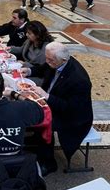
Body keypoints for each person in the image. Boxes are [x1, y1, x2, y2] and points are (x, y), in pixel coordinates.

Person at [22, 42, 93, 176]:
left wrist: (47, 96)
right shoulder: (56, 62)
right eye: (47, 58)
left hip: (73, 118)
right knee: (29, 110)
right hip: (54, 103)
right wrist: (29, 71)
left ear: (64, 60)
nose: (47, 62)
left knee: (43, 121)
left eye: (50, 60)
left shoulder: (79, 79)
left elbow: (71, 108)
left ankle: (48, 162)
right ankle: (37, 140)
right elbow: (44, 67)